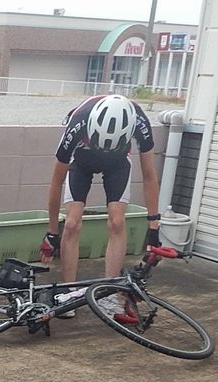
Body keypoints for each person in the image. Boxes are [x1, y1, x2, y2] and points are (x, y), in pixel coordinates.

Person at [40, 95, 161, 315]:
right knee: (72, 223)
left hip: (118, 162)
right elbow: (56, 183)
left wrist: (154, 227)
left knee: (117, 221)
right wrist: (52, 232)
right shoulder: (78, 121)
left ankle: (110, 294)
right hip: (81, 159)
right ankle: (69, 292)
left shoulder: (139, 121)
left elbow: (149, 176)